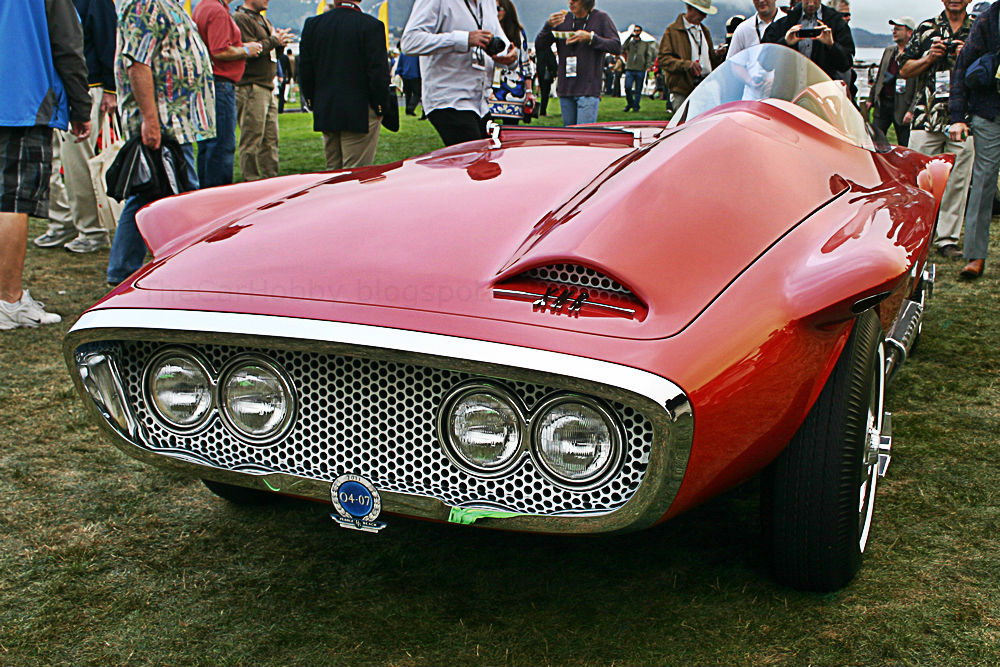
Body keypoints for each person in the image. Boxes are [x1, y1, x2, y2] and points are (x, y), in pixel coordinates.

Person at [106, 0, 215, 287]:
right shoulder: (146, 4)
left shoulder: (168, 4)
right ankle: (178, 267)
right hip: (166, 122)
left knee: (151, 193)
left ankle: (124, 268)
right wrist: (150, 120)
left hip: (177, 121)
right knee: (174, 195)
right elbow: (137, 64)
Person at [1, 0, 90, 330]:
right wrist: (80, 108)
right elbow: (67, 44)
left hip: (17, 99)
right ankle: (8, 301)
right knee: (11, 199)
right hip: (20, 100)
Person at [33, 0, 115, 255]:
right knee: (52, 160)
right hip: (55, 88)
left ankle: (92, 230)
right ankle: (62, 220)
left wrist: (111, 88)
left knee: (78, 163)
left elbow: (107, 40)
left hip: (88, 86)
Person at [899, 0, 974, 260]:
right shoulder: (926, 29)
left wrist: (969, 56)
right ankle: (915, 234)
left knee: (958, 181)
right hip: (926, 114)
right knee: (917, 177)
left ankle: (947, 240)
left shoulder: (979, 30)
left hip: (965, 117)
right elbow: (904, 69)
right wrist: (929, 57)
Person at [401, 0, 516, 146]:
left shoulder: (488, 3)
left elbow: (502, 45)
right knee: (474, 159)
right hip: (448, 99)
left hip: (481, 103)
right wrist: (463, 39)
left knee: (485, 162)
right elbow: (410, 42)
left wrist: (511, 57)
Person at [299, 0, 390, 170]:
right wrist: (380, 106)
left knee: (332, 171)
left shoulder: (313, 24)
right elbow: (378, 73)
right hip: (360, 110)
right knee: (355, 173)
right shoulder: (371, 26)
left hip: (327, 107)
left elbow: (306, 69)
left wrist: (312, 101)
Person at [948, 0, 1000, 279]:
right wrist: (957, 116)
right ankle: (975, 256)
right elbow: (962, 66)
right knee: (982, 183)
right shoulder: (989, 19)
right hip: (990, 112)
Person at [193, 0, 263, 189]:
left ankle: (205, 193)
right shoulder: (217, 11)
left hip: (209, 84)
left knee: (208, 146)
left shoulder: (203, 6)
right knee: (222, 146)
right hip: (221, 84)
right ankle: (218, 195)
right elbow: (221, 50)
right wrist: (247, 50)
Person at [535, 0, 621, 126]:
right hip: (566, 88)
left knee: (583, 136)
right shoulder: (563, 19)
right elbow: (540, 45)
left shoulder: (601, 18)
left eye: (575, 0)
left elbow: (616, 46)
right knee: (570, 137)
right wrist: (548, 26)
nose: (571, 2)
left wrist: (591, 38)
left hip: (588, 89)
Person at [233, 0, 292, 181]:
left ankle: (270, 179)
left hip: (267, 86)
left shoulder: (263, 20)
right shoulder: (240, 19)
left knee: (270, 140)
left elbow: (270, 53)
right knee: (252, 139)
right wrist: (275, 40)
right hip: (252, 86)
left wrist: (279, 45)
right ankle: (251, 180)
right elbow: (252, 51)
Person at [658, 0, 726, 111]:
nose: (704, 16)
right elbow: (663, 60)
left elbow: (710, 60)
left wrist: (718, 55)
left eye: (705, 13)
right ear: (690, 9)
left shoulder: (705, 31)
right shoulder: (672, 31)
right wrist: (687, 65)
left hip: (706, 88)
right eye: (701, 12)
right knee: (684, 125)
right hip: (683, 90)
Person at [761, 0, 854, 80]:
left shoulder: (836, 22)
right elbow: (765, 63)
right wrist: (785, 42)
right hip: (790, 94)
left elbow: (846, 64)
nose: (811, 3)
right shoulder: (784, 23)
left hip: (822, 93)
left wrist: (831, 45)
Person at [865, 18, 917, 147]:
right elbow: (879, 78)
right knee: (874, 140)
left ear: (909, 32)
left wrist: (912, 110)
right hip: (883, 103)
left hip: (903, 105)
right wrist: (871, 99)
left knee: (904, 144)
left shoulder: (916, 54)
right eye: (893, 29)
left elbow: (919, 86)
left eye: (898, 29)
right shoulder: (889, 51)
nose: (894, 32)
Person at [488, 0, 536, 125]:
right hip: (490, 85)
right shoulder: (487, 31)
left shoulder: (518, 33)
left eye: (498, 9)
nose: (495, 12)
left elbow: (525, 62)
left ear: (507, 10)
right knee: (487, 126)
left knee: (511, 126)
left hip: (513, 86)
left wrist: (529, 92)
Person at [622, 25, 656, 112]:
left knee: (638, 89)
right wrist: (629, 37)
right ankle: (630, 103)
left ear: (640, 32)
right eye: (635, 31)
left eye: (637, 31)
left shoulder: (645, 44)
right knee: (627, 87)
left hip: (640, 69)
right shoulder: (630, 43)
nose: (636, 32)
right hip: (630, 68)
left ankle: (636, 106)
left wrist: (648, 66)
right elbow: (622, 49)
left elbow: (649, 55)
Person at [395, 47, 422, 116]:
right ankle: (410, 108)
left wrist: (399, 72)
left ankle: (408, 109)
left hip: (405, 75)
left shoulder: (404, 52)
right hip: (415, 75)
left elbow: (400, 64)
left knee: (408, 93)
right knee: (417, 93)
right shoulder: (417, 53)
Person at [536, 43, 557, 115]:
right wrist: (554, 73)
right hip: (547, 75)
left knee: (543, 93)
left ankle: (541, 110)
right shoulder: (548, 52)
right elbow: (552, 63)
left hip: (541, 75)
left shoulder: (539, 52)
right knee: (545, 94)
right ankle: (543, 111)